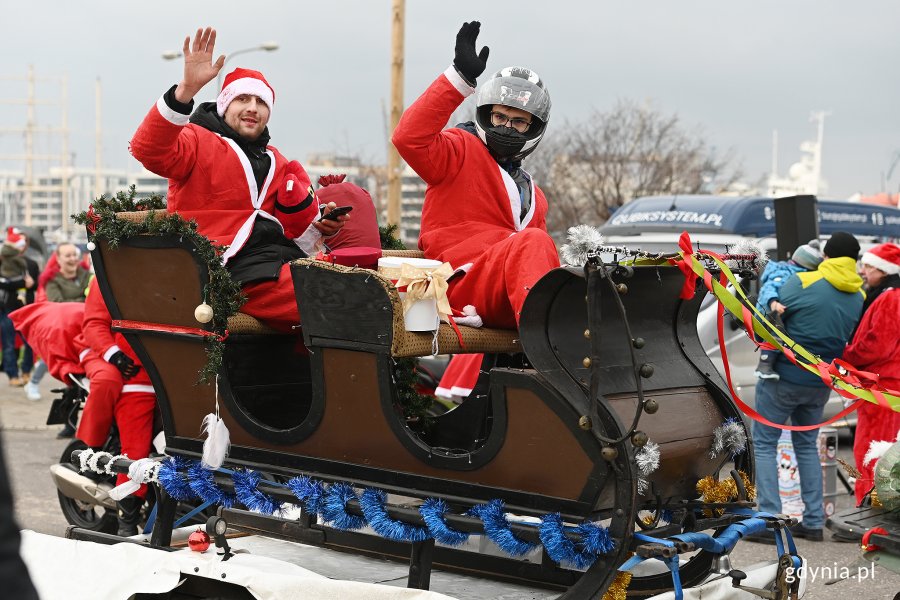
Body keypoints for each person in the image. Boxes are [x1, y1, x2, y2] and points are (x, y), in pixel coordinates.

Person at [130, 27, 378, 332]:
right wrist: (185, 91)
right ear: (224, 105)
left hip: (277, 262)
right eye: (242, 99)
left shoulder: (277, 160)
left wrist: (319, 224)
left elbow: (289, 225)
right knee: (337, 296)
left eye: (261, 102)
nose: (252, 108)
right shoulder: (197, 140)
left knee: (361, 284)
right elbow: (148, 150)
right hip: (226, 269)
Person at [392, 21, 560, 330]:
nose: (506, 127)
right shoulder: (457, 150)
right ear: (486, 115)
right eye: (499, 116)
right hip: (461, 283)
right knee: (534, 242)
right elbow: (408, 138)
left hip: (509, 292)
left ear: (533, 128)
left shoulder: (534, 195)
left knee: (579, 278)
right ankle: (551, 341)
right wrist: (459, 77)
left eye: (519, 122)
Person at [748, 231, 864, 543]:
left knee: (764, 443)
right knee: (806, 445)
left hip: (782, 378)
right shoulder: (859, 295)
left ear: (827, 255)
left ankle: (768, 520)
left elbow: (765, 315)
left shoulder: (802, 282)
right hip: (821, 382)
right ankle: (813, 521)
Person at [842, 243, 900, 505]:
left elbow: (878, 344)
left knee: (871, 452)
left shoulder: (889, 297)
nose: (862, 271)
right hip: (890, 386)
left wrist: (848, 353)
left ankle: (871, 514)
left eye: (867, 266)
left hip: (883, 387)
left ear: (883, 270)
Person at [754, 242, 823, 379]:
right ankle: (764, 365)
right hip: (768, 311)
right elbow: (769, 287)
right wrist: (773, 302)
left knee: (779, 336)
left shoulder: (792, 271)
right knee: (774, 337)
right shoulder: (784, 272)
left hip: (776, 314)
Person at [0, 228, 35, 387]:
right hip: (7, 308)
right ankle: (12, 375)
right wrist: (22, 283)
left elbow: (35, 285)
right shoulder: (2, 260)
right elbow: (3, 283)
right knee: (8, 344)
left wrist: (29, 285)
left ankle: (26, 371)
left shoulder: (31, 264)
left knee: (30, 342)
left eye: (23, 242)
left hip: (27, 309)